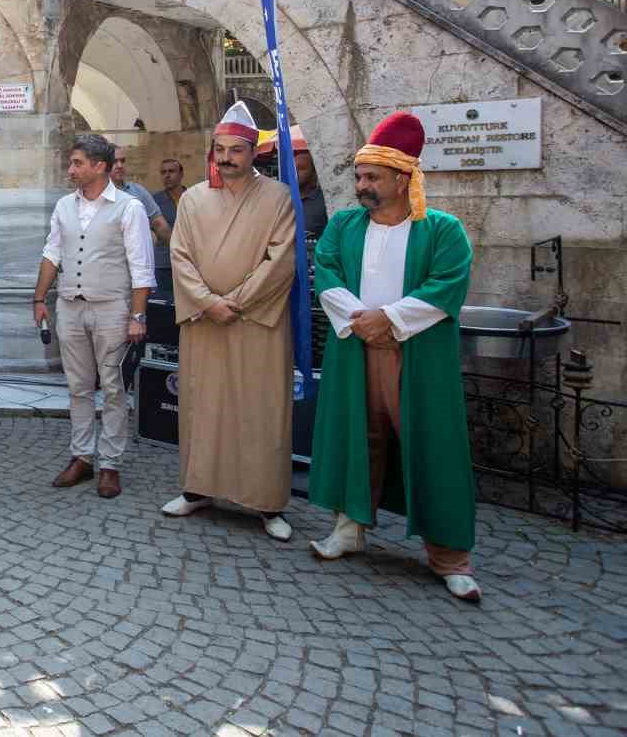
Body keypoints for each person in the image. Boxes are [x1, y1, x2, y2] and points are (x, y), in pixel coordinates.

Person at [307, 112, 481, 602]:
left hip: (418, 356)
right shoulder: (344, 225)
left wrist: (391, 320)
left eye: (372, 178)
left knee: (429, 441)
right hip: (355, 348)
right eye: (360, 176)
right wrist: (364, 320)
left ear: (404, 179)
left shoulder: (443, 230)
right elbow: (328, 273)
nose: (362, 185)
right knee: (357, 436)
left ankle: (449, 556)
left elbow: (448, 285)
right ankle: (349, 526)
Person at [162, 101, 298, 540]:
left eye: (235, 150)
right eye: (219, 149)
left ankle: (267, 503)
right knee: (204, 407)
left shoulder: (278, 197)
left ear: (252, 152)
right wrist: (207, 302)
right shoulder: (194, 199)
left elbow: (281, 260)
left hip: (256, 321)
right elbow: (179, 256)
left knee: (260, 410)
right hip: (204, 322)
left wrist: (235, 303)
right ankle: (198, 489)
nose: (226, 157)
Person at [33, 134, 153, 498]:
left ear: (100, 166)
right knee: (77, 386)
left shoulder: (129, 207)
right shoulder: (63, 207)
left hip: (112, 308)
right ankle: (82, 457)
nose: (70, 170)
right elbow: (52, 254)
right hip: (70, 305)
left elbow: (142, 267)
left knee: (114, 387)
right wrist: (39, 298)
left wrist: (138, 315)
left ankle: (111, 463)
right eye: (71, 163)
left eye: (77, 163)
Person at [256, 125, 329, 237]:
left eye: (301, 168)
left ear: (314, 172)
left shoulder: (324, 203)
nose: (294, 173)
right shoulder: (278, 200)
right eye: (291, 168)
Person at [151, 158, 186, 300]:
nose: (167, 175)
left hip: (189, 262)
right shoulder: (154, 201)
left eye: (171, 171)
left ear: (181, 174)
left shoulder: (193, 197)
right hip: (164, 263)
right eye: (163, 172)